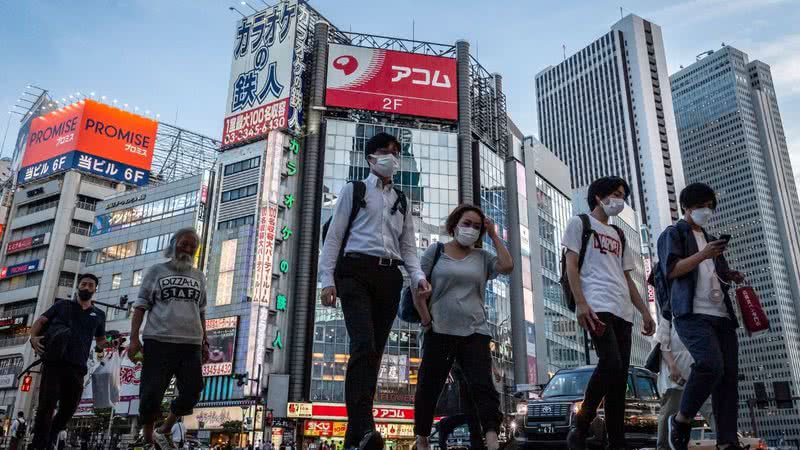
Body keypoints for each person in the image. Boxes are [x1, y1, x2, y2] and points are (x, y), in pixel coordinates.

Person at [318, 132, 431, 450]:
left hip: (389, 278)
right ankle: (365, 425)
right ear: (370, 158)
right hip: (354, 273)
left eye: (396, 153)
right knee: (363, 345)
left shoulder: (401, 199)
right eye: (384, 152)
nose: (391, 157)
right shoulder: (354, 190)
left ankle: (357, 434)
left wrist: (417, 277)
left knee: (375, 354)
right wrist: (327, 280)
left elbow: (408, 247)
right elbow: (334, 236)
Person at [563, 177, 656, 450]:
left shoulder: (620, 234)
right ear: (598, 197)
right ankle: (581, 424)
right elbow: (570, 266)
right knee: (611, 363)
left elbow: (628, 279)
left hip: (623, 310)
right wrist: (581, 303)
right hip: (596, 304)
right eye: (615, 194)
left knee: (618, 380)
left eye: (622, 195)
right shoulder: (580, 223)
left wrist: (645, 312)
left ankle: (617, 441)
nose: (620, 200)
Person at [413, 205, 514, 450]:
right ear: (455, 224)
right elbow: (417, 290)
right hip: (440, 330)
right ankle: (422, 437)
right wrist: (427, 321)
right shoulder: (435, 251)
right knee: (429, 384)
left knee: (482, 385)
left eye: (477, 226)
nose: (471, 229)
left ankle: (491, 436)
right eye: (467, 223)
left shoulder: (482, 257)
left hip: (475, 331)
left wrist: (493, 235)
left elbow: (507, 265)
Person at [659, 183, 745, 450]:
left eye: (709, 206)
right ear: (686, 207)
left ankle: (727, 442)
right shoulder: (673, 234)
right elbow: (671, 270)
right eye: (700, 206)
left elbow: (712, 274)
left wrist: (729, 274)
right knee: (710, 364)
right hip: (691, 313)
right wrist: (703, 254)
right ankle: (682, 419)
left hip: (721, 314)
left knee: (728, 378)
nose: (706, 211)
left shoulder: (709, 238)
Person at [129, 227, 209, 450]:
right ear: (173, 244)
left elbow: (201, 311)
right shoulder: (156, 271)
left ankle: (164, 430)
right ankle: (147, 438)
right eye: (184, 244)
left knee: (193, 390)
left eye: (193, 246)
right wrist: (134, 338)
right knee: (151, 392)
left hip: (191, 342)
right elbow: (140, 306)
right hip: (158, 340)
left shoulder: (199, 276)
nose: (188, 249)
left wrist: (205, 341)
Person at [29, 273, 108, 450]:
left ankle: (50, 436)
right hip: (54, 362)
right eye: (84, 284)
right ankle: (39, 445)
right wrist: (33, 337)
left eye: (90, 285)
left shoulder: (99, 314)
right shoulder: (62, 305)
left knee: (69, 408)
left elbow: (101, 341)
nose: (86, 288)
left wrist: (112, 343)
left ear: (95, 289)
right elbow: (40, 321)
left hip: (78, 366)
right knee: (46, 406)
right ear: (78, 286)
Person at [655, 314, 714, 450]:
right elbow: (663, 345)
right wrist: (672, 366)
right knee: (670, 413)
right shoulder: (668, 317)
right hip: (676, 377)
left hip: (699, 375)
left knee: (712, 410)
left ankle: (726, 440)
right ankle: (663, 447)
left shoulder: (699, 314)